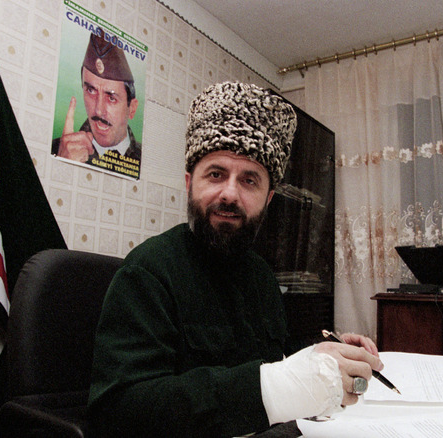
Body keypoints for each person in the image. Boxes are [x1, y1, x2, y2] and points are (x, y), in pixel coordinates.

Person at [88, 82, 383, 437]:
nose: (229, 193)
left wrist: (323, 356)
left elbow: (275, 359)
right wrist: (274, 388)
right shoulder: (148, 271)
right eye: (215, 174)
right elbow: (119, 411)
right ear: (188, 183)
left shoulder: (261, 276)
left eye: (249, 180)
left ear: (268, 198)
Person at [52, 31, 142, 167]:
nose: (99, 111)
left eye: (111, 98)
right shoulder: (58, 150)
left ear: (132, 109)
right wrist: (62, 164)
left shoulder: (144, 164)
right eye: (91, 90)